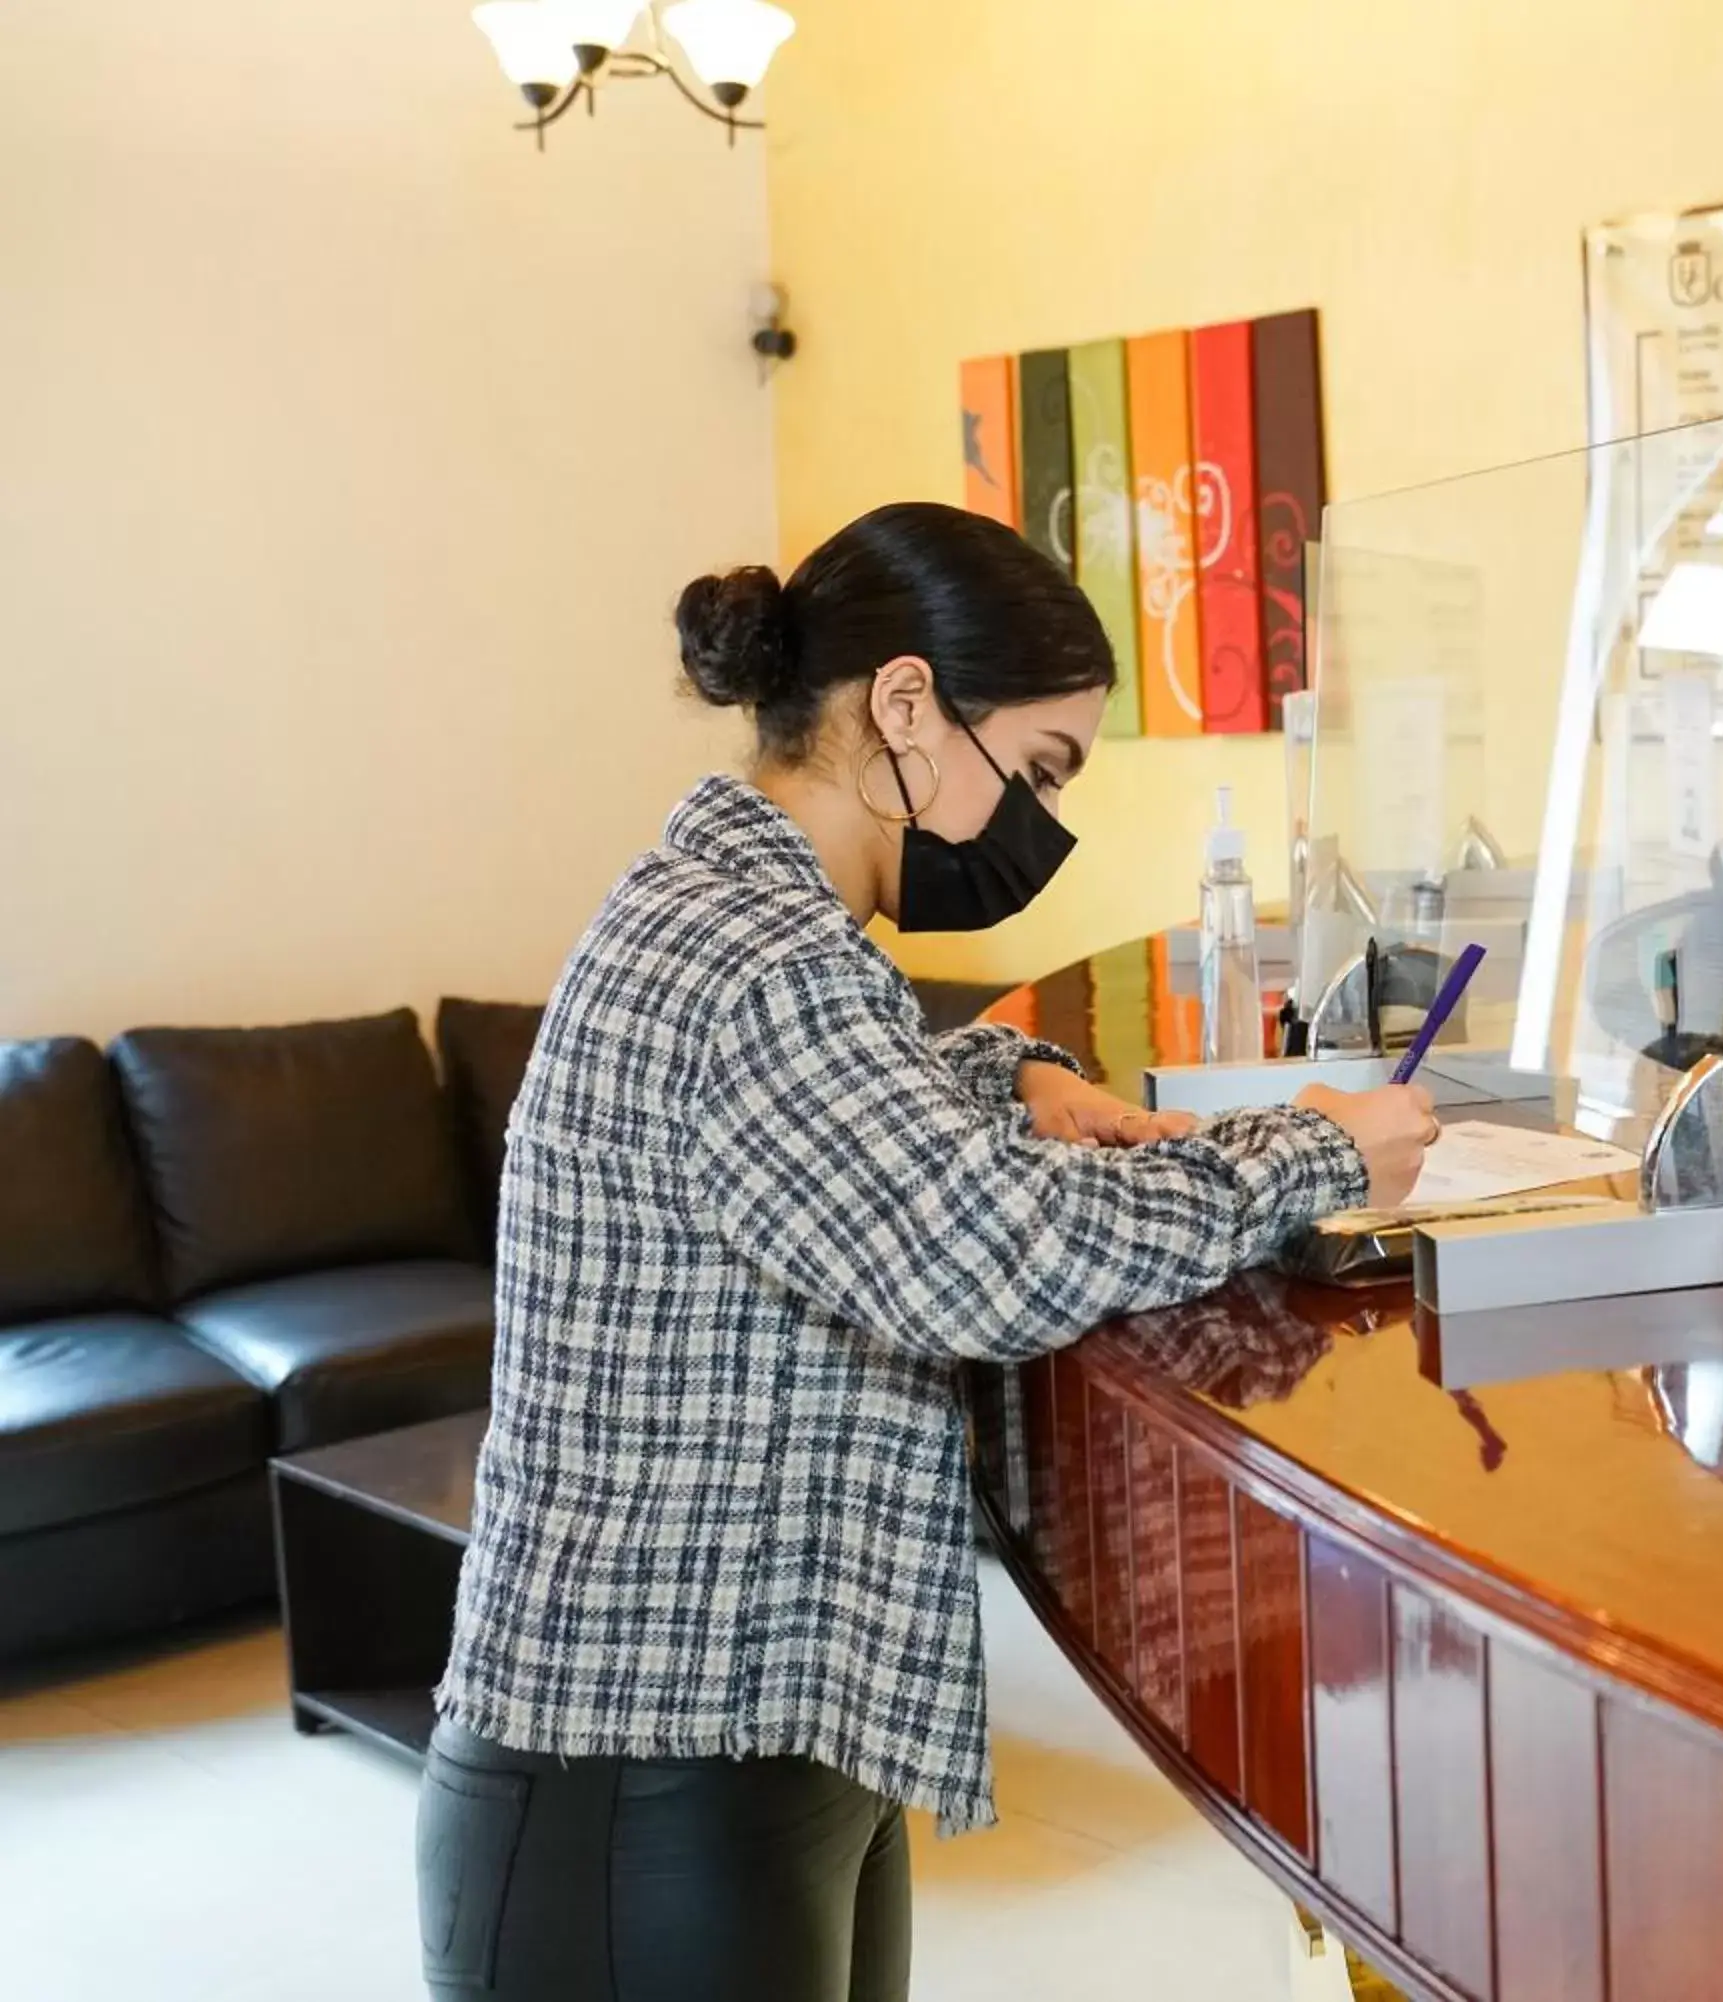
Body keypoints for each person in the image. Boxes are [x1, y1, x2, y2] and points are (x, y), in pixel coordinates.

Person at [415, 502, 1435, 2002]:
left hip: (758, 1729)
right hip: (641, 1766)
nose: (1035, 825)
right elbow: (988, 1255)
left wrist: (1008, 1074)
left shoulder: (775, 932)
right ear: (903, 706)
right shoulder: (751, 958)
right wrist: (1320, 1148)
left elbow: (844, 1121)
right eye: (1034, 771)